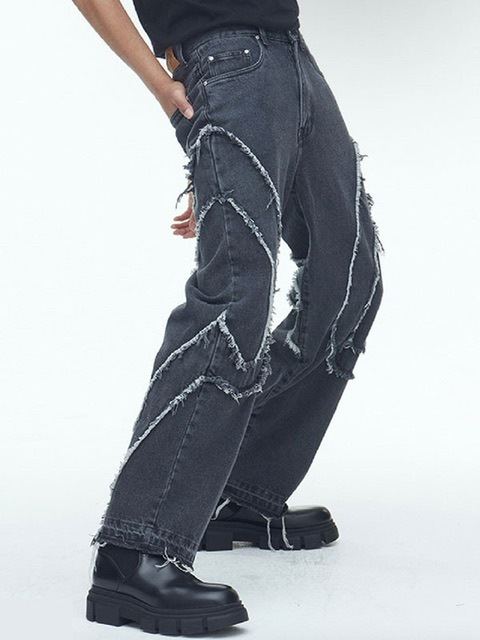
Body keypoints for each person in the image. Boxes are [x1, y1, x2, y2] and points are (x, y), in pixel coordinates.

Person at [72, 0, 385, 635]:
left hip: (290, 55)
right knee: (235, 295)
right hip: (224, 63)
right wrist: (161, 87)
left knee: (349, 277)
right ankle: (134, 547)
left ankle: (239, 491)